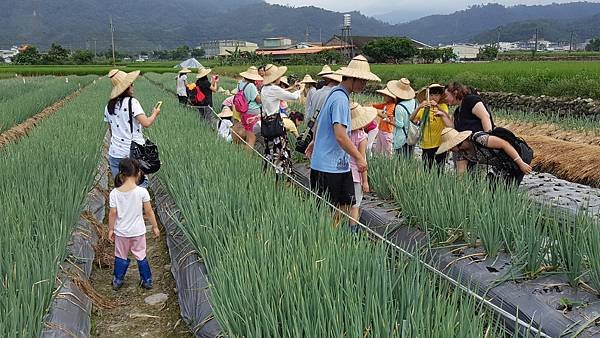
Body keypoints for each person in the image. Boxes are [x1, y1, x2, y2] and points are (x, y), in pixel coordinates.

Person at [306, 55, 381, 228]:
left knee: (344, 206)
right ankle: (330, 240)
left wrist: (315, 141)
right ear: (352, 78)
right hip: (330, 166)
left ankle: (333, 238)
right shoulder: (340, 99)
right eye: (361, 81)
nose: (364, 85)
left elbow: (319, 121)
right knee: (334, 210)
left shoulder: (335, 93)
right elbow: (340, 135)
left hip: (332, 164)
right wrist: (359, 158)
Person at [108, 158, 160, 290]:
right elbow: (148, 211)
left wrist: (110, 229)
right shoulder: (142, 192)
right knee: (141, 254)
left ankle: (118, 280)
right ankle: (147, 280)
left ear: (121, 174)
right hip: (138, 231)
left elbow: (113, 213)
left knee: (120, 255)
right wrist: (154, 226)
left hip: (121, 232)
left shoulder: (114, 193)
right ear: (138, 173)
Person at [104, 69, 160, 188]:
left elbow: (111, 131)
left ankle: (122, 207)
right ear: (127, 87)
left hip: (114, 153)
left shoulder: (109, 106)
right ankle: (139, 206)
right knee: (139, 187)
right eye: (131, 84)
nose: (133, 85)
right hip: (131, 154)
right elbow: (146, 123)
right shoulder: (132, 102)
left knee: (120, 188)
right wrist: (155, 113)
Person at [436, 128, 533, 185]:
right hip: (501, 166)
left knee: (510, 188)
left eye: (449, 147)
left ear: (455, 144)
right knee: (496, 190)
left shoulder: (479, 138)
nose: (449, 150)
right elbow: (461, 175)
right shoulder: (460, 153)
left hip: (515, 158)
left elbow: (505, 144)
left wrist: (520, 163)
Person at [260, 64, 302, 176]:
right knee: (280, 152)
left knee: (270, 151)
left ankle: (270, 174)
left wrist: (291, 88)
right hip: (275, 126)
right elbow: (294, 97)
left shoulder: (265, 89)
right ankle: (282, 177)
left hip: (267, 125)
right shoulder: (274, 89)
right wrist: (300, 90)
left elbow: (280, 93)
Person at [349, 103, 376, 233]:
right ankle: (352, 230)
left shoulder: (344, 134)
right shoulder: (362, 137)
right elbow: (361, 161)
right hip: (355, 175)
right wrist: (365, 181)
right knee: (355, 205)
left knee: (342, 204)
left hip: (342, 172)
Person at [411, 84, 450, 169]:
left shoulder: (443, 106)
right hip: (426, 144)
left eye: (436, 95)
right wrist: (419, 107)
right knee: (427, 169)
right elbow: (412, 119)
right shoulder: (424, 108)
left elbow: (447, 116)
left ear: (440, 96)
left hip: (440, 143)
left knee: (440, 169)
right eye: (431, 95)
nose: (433, 97)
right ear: (428, 96)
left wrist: (437, 106)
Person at [386, 78, 416, 157]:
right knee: (409, 160)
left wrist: (389, 121)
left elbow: (400, 125)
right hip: (412, 136)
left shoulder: (399, 107)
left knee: (401, 162)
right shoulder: (414, 102)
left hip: (402, 139)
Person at [237, 66, 263, 149]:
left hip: (244, 112)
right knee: (252, 139)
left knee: (249, 136)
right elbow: (258, 100)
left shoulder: (240, 84)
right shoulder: (251, 86)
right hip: (253, 113)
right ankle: (248, 158)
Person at [372, 87, 397, 156]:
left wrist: (376, 112)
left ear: (390, 97)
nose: (384, 97)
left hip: (387, 131)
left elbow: (386, 116)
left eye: (386, 95)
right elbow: (375, 106)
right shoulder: (386, 104)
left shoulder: (392, 106)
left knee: (388, 152)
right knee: (378, 151)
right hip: (381, 130)